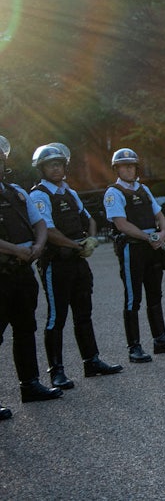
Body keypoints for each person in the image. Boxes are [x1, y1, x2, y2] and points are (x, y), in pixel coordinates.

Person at [29, 144, 122, 390]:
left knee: (84, 313)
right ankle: (56, 372)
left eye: (59, 164)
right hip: (56, 263)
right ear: (42, 168)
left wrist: (90, 238)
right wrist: (75, 245)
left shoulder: (68, 192)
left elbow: (89, 219)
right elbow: (47, 230)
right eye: (51, 165)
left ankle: (91, 361)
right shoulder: (39, 195)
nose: (56, 168)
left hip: (78, 261)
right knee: (56, 317)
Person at [103, 148, 165, 362]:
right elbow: (121, 224)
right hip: (133, 248)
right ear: (117, 169)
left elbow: (159, 214)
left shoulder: (143, 189)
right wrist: (147, 237)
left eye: (132, 165)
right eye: (124, 166)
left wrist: (163, 233)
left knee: (155, 294)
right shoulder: (113, 192)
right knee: (133, 298)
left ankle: (160, 339)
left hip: (152, 247)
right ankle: (134, 347)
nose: (129, 169)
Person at [0, 135, 63, 417]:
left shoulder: (16, 192)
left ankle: (30, 385)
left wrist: (38, 245)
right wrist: (15, 249)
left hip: (23, 272)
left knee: (26, 330)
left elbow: (38, 222)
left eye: (1, 160)